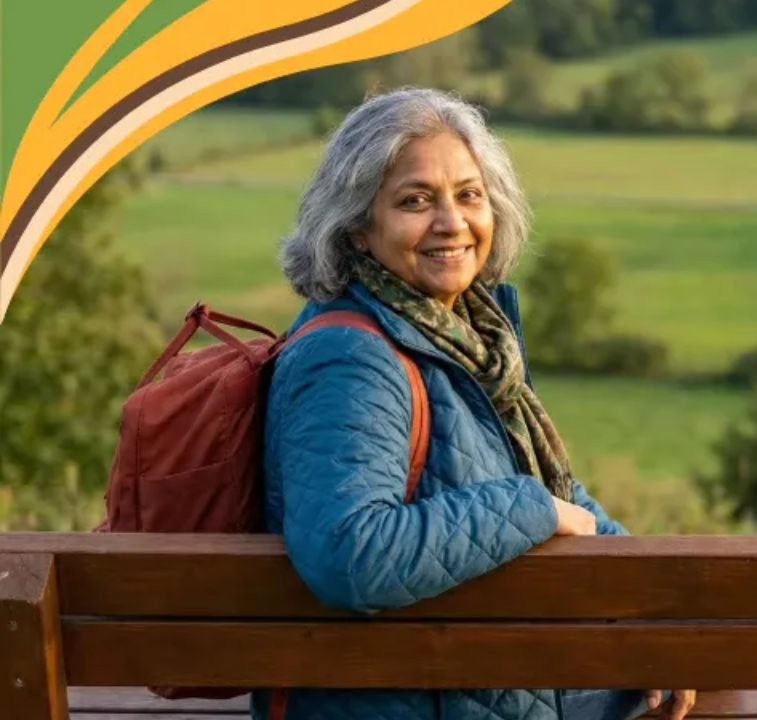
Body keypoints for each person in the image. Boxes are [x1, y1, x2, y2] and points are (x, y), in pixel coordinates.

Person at [254, 87, 696, 720]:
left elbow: (560, 494)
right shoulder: (351, 358)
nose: (452, 222)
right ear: (356, 227)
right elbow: (349, 553)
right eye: (415, 201)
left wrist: (647, 605)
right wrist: (531, 510)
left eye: (469, 195)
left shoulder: (469, 336)